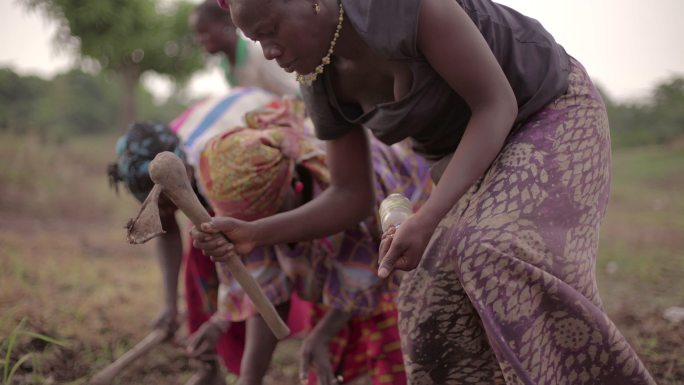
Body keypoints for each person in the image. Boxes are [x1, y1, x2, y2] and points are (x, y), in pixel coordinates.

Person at [192, 0, 657, 384]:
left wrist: (429, 215)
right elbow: (350, 196)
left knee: (494, 251)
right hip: (464, 156)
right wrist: (253, 233)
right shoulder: (319, 80)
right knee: (425, 296)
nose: (269, 51)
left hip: (545, 112)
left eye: (272, 30)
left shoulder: (401, 7)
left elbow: (495, 103)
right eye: (257, 41)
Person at [191, 98, 431, 385]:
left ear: (292, 188)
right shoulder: (251, 215)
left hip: (399, 255)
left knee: (396, 361)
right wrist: (249, 378)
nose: (259, 231)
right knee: (324, 365)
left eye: (262, 223)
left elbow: (372, 271)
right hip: (345, 287)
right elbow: (266, 294)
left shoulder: (345, 194)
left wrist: (324, 333)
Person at [108, 88, 287, 382]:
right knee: (201, 275)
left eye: (168, 201)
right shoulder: (156, 157)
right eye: (158, 202)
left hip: (264, 155)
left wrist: (221, 320)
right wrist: (169, 305)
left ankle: (249, 376)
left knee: (251, 271)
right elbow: (165, 225)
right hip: (214, 185)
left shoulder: (227, 168)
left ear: (186, 172)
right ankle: (210, 366)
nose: (167, 209)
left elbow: (255, 263)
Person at [190, 0, 298, 96]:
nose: (200, 40)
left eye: (204, 32)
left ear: (226, 25)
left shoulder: (259, 55)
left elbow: (295, 94)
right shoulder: (226, 66)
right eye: (197, 34)